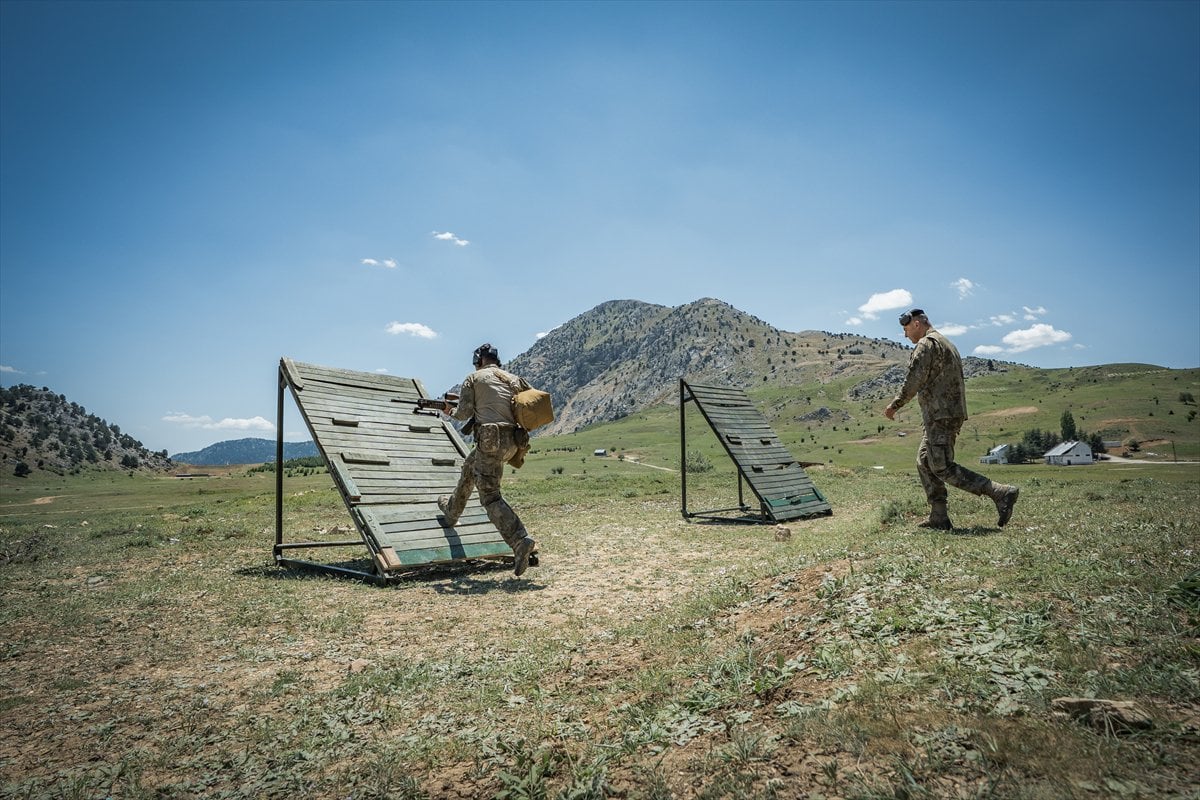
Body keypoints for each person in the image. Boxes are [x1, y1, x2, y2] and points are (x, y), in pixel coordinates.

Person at [883, 308, 1020, 530]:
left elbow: (914, 379)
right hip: (944, 414)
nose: (905, 335)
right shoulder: (946, 343)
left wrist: (894, 405)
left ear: (917, 324)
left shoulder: (927, 344)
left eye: (906, 329)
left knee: (941, 466)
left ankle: (1000, 492)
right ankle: (938, 516)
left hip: (941, 414)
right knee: (924, 461)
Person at [437, 343, 538, 576]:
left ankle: (519, 540)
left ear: (478, 360)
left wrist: (447, 410)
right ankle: (451, 511)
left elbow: (462, 413)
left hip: (490, 440)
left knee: (490, 496)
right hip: (513, 442)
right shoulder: (514, 379)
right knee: (470, 468)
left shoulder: (474, 378)